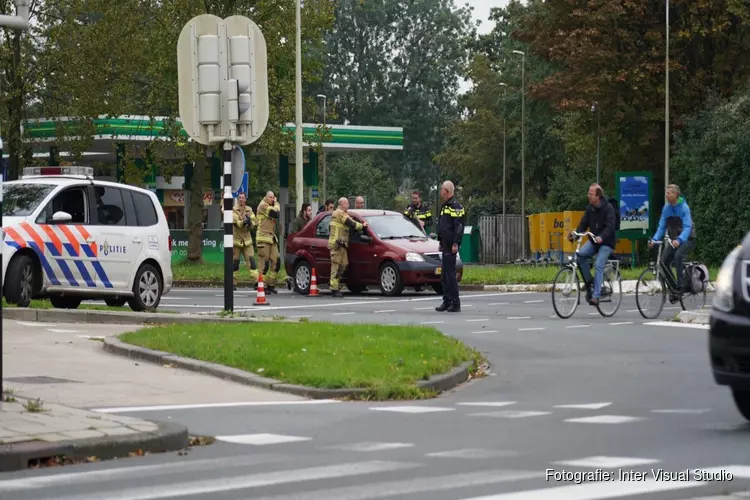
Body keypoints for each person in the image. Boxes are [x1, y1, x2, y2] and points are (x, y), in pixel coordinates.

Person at [568, 183, 616, 306]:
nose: (588, 195)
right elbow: (583, 224)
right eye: (588, 193)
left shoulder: (608, 208)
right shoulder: (590, 208)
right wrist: (575, 234)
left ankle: (596, 296)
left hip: (607, 243)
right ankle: (590, 282)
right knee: (580, 256)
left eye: (591, 194)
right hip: (594, 241)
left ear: (598, 196)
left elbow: (611, 226)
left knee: (598, 265)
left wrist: (602, 237)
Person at [649, 184, 696, 298]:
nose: (666, 196)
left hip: (687, 239)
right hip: (674, 240)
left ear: (675, 194)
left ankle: (681, 286)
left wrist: (680, 240)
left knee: (678, 256)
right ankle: (674, 288)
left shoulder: (684, 208)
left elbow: (687, 227)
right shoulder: (667, 208)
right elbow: (661, 227)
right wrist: (654, 240)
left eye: (669, 193)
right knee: (663, 262)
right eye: (666, 193)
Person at [328, 197, 368, 297]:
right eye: (347, 204)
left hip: (342, 245)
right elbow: (351, 224)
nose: (348, 206)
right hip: (337, 244)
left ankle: (335, 284)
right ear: (342, 204)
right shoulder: (339, 213)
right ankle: (334, 288)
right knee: (336, 266)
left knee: (344, 264)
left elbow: (351, 220)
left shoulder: (343, 213)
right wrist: (363, 226)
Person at [435, 181, 464, 312]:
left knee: (450, 275)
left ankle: (455, 302)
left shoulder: (455, 206)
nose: (441, 192)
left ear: (446, 191)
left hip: (451, 245)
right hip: (445, 244)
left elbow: (458, 226)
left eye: (442, 190)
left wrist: (455, 243)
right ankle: (446, 301)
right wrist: (440, 241)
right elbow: (443, 226)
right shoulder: (445, 206)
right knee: (444, 275)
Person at [232, 192, 259, 289]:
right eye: (239, 198)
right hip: (236, 241)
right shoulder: (234, 210)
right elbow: (237, 223)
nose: (241, 199)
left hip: (247, 241)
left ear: (245, 199)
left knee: (252, 262)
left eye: (242, 198)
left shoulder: (249, 210)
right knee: (235, 263)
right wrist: (244, 222)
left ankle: (256, 282)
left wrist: (250, 222)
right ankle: (233, 283)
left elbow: (254, 223)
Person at [256, 191, 281, 293]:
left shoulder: (273, 205)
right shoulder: (262, 205)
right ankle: (262, 286)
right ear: (266, 197)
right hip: (263, 238)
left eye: (273, 197)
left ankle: (271, 285)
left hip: (271, 238)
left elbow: (277, 213)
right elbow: (275, 214)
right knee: (264, 264)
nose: (272, 199)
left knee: (277, 261)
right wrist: (276, 204)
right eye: (270, 197)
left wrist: (275, 205)